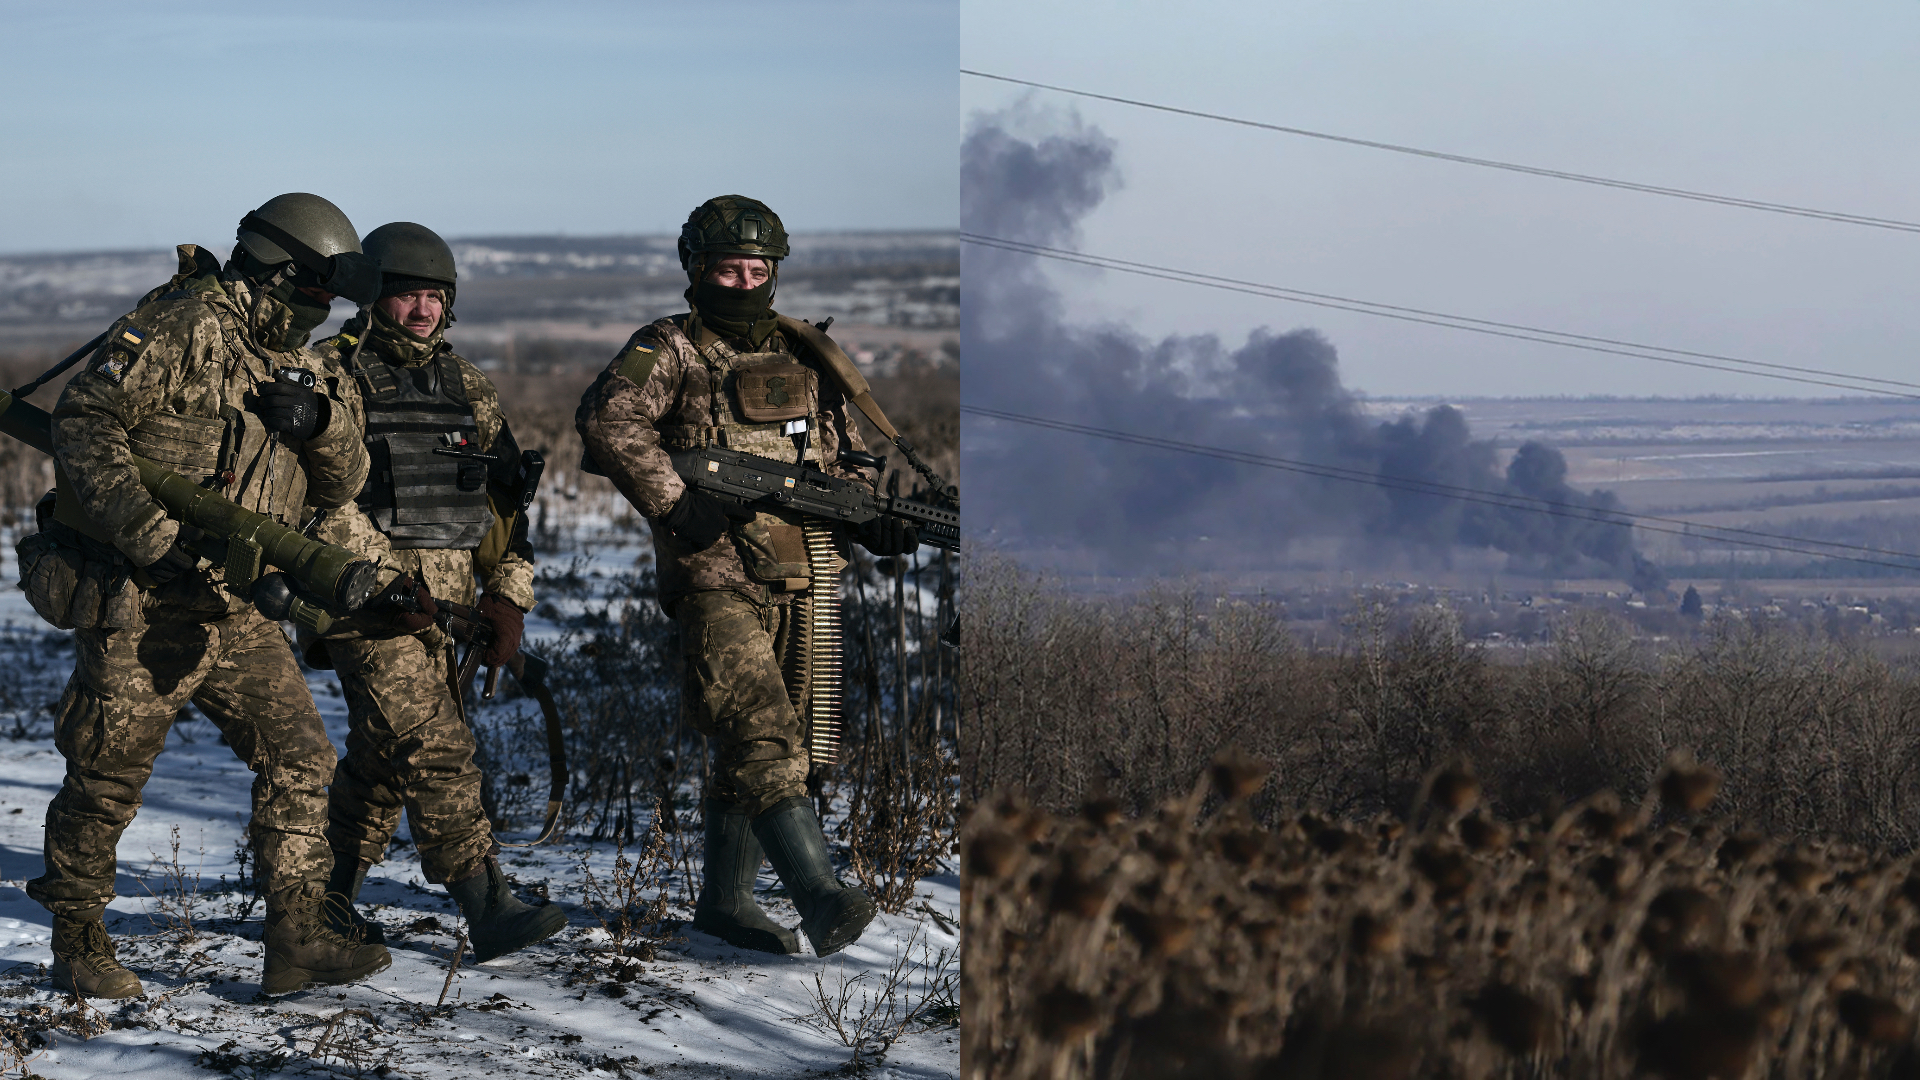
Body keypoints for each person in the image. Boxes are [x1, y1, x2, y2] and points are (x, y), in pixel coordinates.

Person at [27, 193, 391, 997]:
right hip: (145, 604)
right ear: (276, 271)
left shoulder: (304, 358)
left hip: (239, 608)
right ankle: (79, 935)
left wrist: (321, 422)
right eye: (314, 293)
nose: (321, 313)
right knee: (107, 775)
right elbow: (84, 425)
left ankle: (296, 935)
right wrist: (155, 539)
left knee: (302, 760)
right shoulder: (182, 328)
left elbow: (347, 481)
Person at [575, 195, 918, 957]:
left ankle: (726, 908)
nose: (743, 280)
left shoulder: (806, 355)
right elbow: (608, 421)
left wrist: (873, 519)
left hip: (803, 571)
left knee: (773, 746)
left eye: (756, 268)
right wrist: (673, 504)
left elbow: (844, 459)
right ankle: (821, 896)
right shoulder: (671, 348)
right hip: (714, 574)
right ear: (697, 269)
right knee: (764, 738)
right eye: (727, 267)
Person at [305, 221, 565, 963]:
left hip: (449, 612)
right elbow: (321, 503)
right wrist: (384, 583)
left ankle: (324, 899)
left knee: (383, 762)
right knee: (434, 747)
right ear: (371, 297)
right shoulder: (331, 374)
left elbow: (506, 511)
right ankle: (487, 905)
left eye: (434, 296)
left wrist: (508, 597)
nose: (422, 310)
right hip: (364, 603)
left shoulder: (465, 384)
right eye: (405, 295)